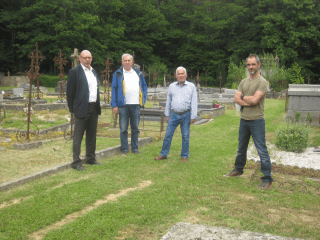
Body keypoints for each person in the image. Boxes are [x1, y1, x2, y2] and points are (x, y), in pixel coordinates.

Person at [224, 54, 273, 190]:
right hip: (244, 120)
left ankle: (267, 178)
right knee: (241, 149)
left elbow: (255, 101)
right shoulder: (243, 82)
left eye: (253, 64)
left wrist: (243, 97)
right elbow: (235, 98)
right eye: (248, 65)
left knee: (261, 150)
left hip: (257, 121)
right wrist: (247, 99)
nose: (250, 67)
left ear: (258, 65)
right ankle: (238, 170)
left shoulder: (262, 82)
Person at [67, 50, 102, 171]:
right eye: (85, 57)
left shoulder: (93, 71)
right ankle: (76, 162)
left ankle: (90, 158)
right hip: (81, 108)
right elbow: (70, 93)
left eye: (89, 57)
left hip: (93, 107)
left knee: (92, 135)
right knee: (78, 136)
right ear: (80, 58)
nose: (87, 60)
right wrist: (73, 109)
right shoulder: (74, 72)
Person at [154, 66, 198, 162]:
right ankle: (163, 154)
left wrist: (193, 116)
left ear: (186, 75)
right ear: (176, 75)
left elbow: (194, 102)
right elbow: (168, 100)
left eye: (182, 74)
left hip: (186, 115)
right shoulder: (172, 86)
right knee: (168, 135)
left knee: (185, 136)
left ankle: (184, 155)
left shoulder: (191, 86)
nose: (181, 75)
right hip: (173, 114)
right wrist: (167, 114)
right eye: (179, 74)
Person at [111, 53, 148, 155]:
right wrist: (114, 105)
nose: (127, 62)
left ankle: (135, 148)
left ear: (132, 62)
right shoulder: (118, 73)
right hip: (123, 105)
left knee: (135, 128)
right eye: (125, 61)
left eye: (129, 61)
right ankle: (124, 149)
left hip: (135, 105)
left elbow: (144, 86)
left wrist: (143, 99)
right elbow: (113, 89)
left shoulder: (138, 73)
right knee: (123, 129)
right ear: (122, 62)